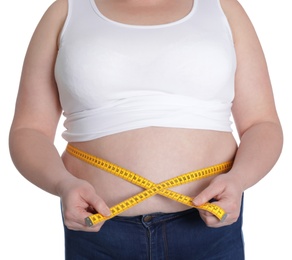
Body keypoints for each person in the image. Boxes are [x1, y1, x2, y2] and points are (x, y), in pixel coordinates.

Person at [9, 0, 283, 259]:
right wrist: (62, 183)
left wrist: (239, 180)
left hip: (210, 231)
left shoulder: (222, 9)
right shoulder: (66, 11)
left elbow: (262, 124)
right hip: (99, 231)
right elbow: (29, 130)